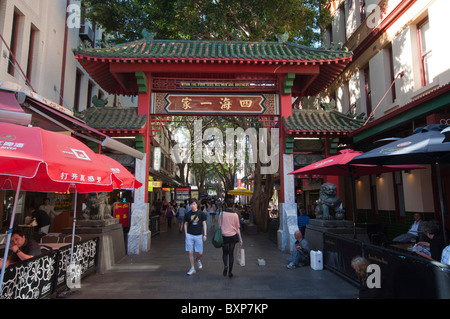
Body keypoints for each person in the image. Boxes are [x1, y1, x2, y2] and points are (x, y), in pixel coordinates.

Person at [219, 198, 243, 278]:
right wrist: (240, 238)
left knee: (225, 253)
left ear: (226, 205)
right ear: (233, 205)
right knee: (231, 254)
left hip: (224, 236)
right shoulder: (235, 215)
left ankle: (225, 266)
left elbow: (219, 225)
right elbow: (237, 228)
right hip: (233, 236)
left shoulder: (221, 214)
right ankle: (230, 272)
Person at [184, 198, 207, 275]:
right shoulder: (188, 214)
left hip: (198, 235)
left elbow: (204, 224)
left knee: (200, 253)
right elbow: (185, 224)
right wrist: (186, 233)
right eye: (191, 204)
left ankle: (197, 259)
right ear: (189, 205)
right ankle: (192, 267)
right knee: (190, 252)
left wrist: (205, 234)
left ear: (197, 204)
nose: (192, 206)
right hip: (190, 235)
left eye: (194, 204)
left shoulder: (201, 214)